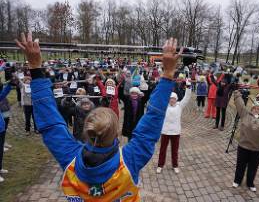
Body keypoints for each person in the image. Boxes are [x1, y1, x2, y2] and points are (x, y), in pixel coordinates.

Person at [15, 33, 182, 201]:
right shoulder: (129, 162)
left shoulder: (70, 158)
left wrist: (35, 69)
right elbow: (152, 121)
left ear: (87, 132)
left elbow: (50, 125)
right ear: (116, 133)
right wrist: (168, 73)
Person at [156, 80, 191, 174]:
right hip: (165, 132)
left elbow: (187, 98)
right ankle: (160, 165)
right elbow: (159, 96)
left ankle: (175, 165)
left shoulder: (180, 106)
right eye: (170, 98)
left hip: (175, 132)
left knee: (174, 150)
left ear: (176, 99)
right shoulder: (165, 106)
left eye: (173, 98)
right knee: (162, 150)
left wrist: (188, 87)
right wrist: (161, 84)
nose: (172, 100)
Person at [0, 81, 13, 183]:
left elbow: (2, 94)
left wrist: (9, 85)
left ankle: (0, 168)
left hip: (1, 128)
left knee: (0, 150)